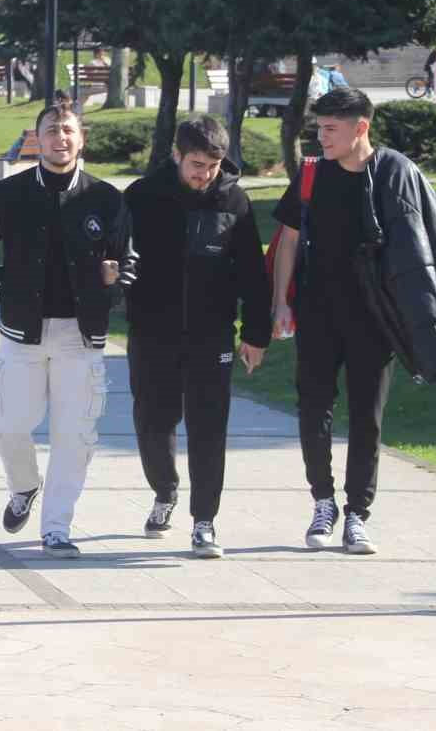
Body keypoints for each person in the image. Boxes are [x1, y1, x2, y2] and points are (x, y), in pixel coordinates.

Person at [271, 87, 436, 556]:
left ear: (361, 128)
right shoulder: (312, 174)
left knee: (366, 418)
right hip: (316, 313)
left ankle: (357, 513)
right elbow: (288, 241)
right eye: (318, 128)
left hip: (373, 318)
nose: (321, 137)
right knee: (313, 409)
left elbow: (423, 246)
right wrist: (280, 303)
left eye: (331, 129)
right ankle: (323, 501)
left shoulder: (393, 173)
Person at [0, 102, 137, 558]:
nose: (61, 137)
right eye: (52, 130)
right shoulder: (8, 194)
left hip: (82, 337)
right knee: (9, 428)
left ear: (82, 139)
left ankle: (56, 528)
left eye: (69, 130)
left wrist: (114, 288)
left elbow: (130, 260)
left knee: (74, 436)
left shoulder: (107, 199)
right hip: (22, 332)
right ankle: (24, 486)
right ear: (37, 139)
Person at [122, 116, 272, 558]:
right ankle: (164, 490)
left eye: (212, 165)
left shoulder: (234, 202)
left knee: (209, 428)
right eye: (196, 164)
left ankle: (204, 520)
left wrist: (256, 333)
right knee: (153, 422)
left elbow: (252, 274)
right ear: (176, 155)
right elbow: (115, 261)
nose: (203, 174)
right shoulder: (142, 197)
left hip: (212, 336)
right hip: (152, 334)